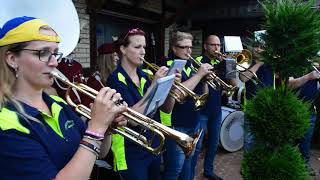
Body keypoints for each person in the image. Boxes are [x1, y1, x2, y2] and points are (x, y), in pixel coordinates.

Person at [0, 16, 127, 180]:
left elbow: (98, 154)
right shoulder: (5, 124)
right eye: (43, 53)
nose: (54, 63)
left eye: (55, 53)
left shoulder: (58, 103)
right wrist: (96, 128)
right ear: (12, 59)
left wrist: (106, 128)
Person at [106, 28, 179, 180]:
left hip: (152, 146)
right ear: (123, 49)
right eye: (137, 47)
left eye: (144, 47)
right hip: (130, 152)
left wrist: (171, 88)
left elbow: (166, 109)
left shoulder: (145, 76)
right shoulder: (115, 80)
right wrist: (154, 86)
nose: (143, 52)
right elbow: (131, 118)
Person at [162, 31, 212, 180]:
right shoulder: (168, 66)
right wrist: (199, 76)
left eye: (190, 47)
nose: (189, 51)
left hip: (194, 122)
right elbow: (178, 94)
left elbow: (203, 96)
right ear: (174, 48)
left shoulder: (192, 65)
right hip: (177, 125)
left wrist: (205, 81)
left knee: (188, 166)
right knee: (174, 169)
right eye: (184, 47)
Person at [191, 35, 226, 180]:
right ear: (205, 46)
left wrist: (228, 65)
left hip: (216, 109)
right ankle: (190, 174)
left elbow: (232, 82)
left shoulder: (221, 62)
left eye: (218, 45)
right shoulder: (198, 61)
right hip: (201, 110)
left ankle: (208, 171)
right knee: (196, 146)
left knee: (213, 143)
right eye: (213, 45)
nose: (217, 48)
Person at [239, 46, 275, 152]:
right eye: (256, 46)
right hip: (251, 106)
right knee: (249, 140)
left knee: (266, 140)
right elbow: (243, 78)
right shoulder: (245, 59)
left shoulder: (272, 61)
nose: (258, 49)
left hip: (268, 105)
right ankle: (248, 167)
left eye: (262, 47)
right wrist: (259, 63)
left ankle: (262, 166)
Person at [287, 67, 319, 176]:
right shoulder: (293, 64)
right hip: (292, 109)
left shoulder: (315, 65)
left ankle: (304, 164)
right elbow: (289, 85)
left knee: (306, 141)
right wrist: (309, 76)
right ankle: (288, 165)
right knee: (289, 140)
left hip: (310, 111)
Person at [83, 42, 119, 107]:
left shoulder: (115, 76)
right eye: (115, 55)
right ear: (108, 58)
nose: (117, 58)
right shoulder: (94, 80)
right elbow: (88, 103)